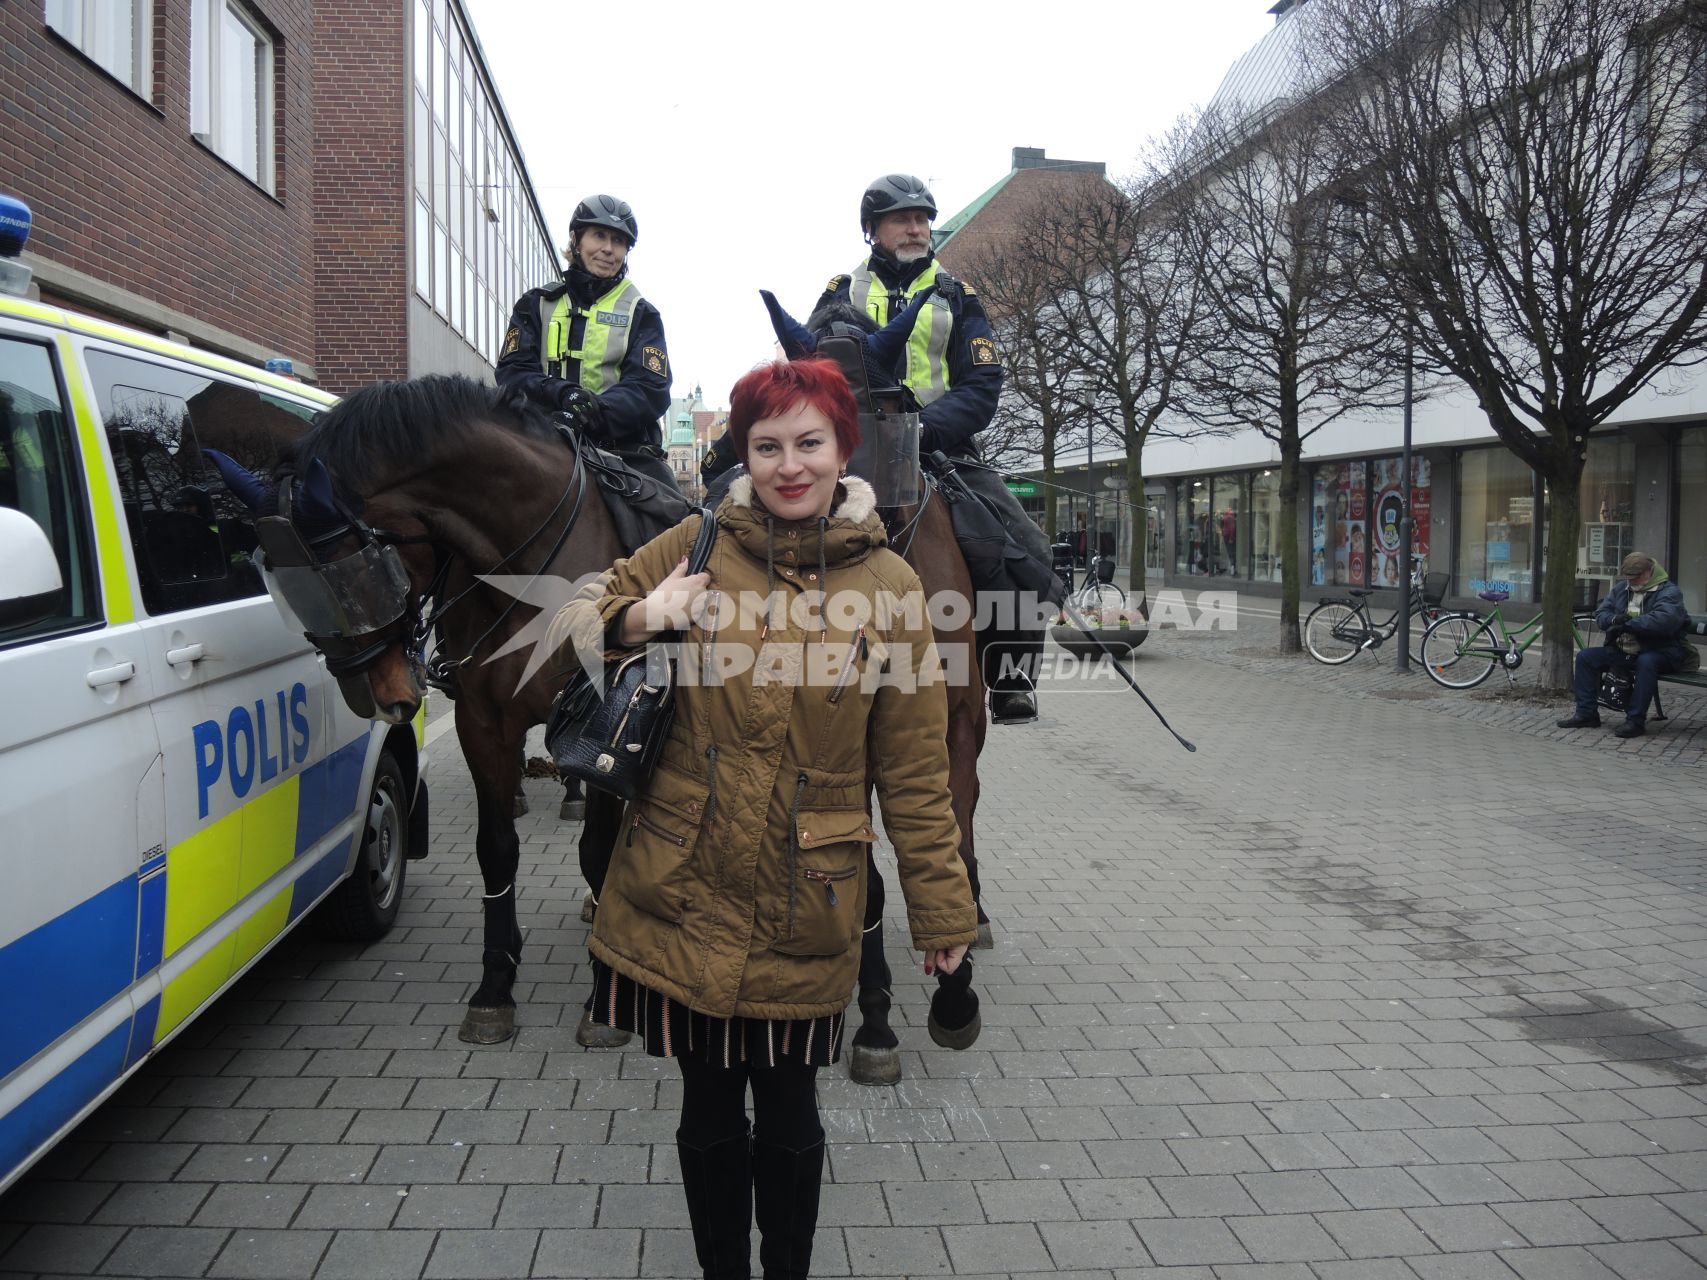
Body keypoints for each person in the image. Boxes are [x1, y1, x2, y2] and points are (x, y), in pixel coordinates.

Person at [554, 358, 977, 1280]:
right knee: (705, 1112)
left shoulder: (895, 588)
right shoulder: (695, 542)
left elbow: (913, 770)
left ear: (841, 449)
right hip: (684, 882)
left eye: (809, 443)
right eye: (767, 445)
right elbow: (570, 618)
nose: (790, 465)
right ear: (741, 454)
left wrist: (942, 913)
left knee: (790, 1117)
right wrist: (639, 619)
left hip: (806, 895)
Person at [819, 174, 1049, 724]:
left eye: (923, 218)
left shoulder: (957, 295)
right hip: (854, 453)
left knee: (1026, 548)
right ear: (872, 230)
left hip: (939, 450)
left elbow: (982, 382)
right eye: (902, 218)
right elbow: (813, 372)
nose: (917, 228)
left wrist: (924, 430)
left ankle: (1010, 672)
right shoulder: (838, 293)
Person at [496, 193, 677, 495]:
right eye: (599, 236)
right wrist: (564, 395)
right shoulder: (535, 304)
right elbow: (512, 373)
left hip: (621, 453)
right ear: (576, 240)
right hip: (539, 442)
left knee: (672, 516)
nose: (608, 249)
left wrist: (593, 411)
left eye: (618, 241)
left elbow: (650, 388)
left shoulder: (642, 313)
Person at [1558, 552, 1691, 739]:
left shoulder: (1669, 592)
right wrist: (1614, 619)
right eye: (1628, 578)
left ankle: (1635, 721)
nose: (1632, 582)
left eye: (1636, 578)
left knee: (1646, 662)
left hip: (1663, 651)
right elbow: (1602, 611)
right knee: (1585, 657)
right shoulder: (1622, 589)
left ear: (1649, 571)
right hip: (1627, 649)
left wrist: (1627, 625)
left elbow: (1663, 620)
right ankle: (1586, 714)